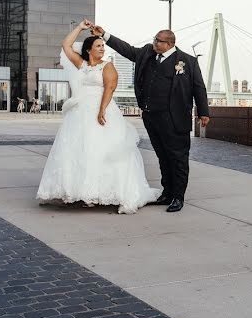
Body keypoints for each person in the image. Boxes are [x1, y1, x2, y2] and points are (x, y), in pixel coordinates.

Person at [35, 19, 160, 214]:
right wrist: (79, 28)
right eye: (99, 45)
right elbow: (66, 45)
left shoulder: (107, 66)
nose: (102, 48)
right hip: (79, 112)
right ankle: (80, 190)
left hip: (102, 109)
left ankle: (102, 191)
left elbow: (110, 88)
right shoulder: (82, 64)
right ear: (88, 49)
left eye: (103, 45)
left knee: (100, 148)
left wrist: (102, 110)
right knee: (79, 149)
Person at [89, 23, 210, 213]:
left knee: (178, 158)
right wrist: (104, 35)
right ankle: (167, 193)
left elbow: (198, 88)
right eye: (154, 39)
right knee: (162, 156)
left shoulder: (187, 61)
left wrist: (203, 112)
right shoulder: (147, 53)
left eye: (158, 41)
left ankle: (178, 197)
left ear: (169, 44)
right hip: (151, 116)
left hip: (175, 118)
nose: (153, 42)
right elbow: (127, 50)